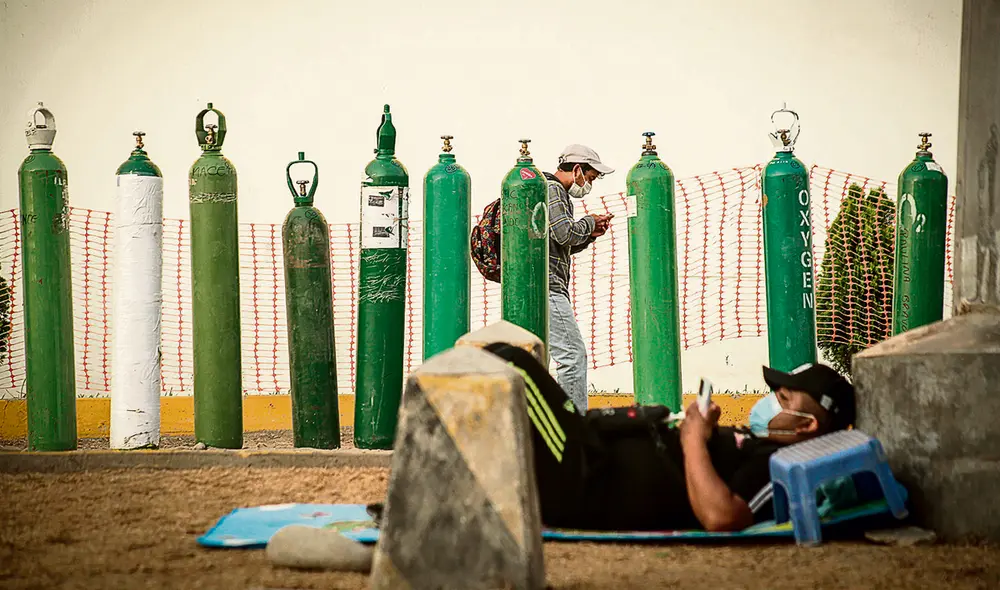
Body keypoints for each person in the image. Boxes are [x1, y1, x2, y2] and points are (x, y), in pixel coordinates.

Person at [482, 342, 856, 532]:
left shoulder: (778, 464)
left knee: (509, 362)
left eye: (783, 398)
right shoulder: (762, 444)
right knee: (500, 362)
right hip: (591, 446)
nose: (770, 401)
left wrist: (693, 437)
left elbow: (722, 516)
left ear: (807, 425)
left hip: (587, 476)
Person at [543, 145, 615, 414]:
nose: (590, 184)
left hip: (537, 288)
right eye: (592, 177)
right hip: (549, 288)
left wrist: (589, 234)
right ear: (577, 170)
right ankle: (575, 426)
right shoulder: (554, 191)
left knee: (540, 360)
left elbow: (560, 243)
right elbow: (563, 233)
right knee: (572, 357)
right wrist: (588, 221)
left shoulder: (544, 189)